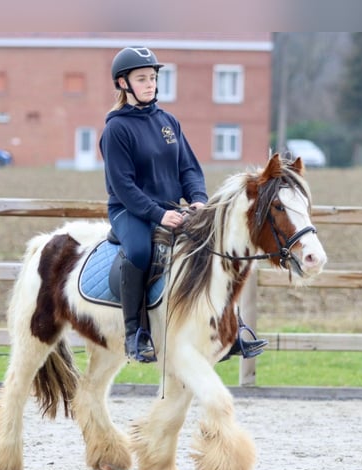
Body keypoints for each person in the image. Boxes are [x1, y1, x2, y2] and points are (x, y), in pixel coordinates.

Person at [99, 46, 266, 363]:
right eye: (142, 79)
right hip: (130, 210)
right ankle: (136, 335)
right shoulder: (116, 129)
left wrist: (199, 201)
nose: (150, 84)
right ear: (123, 84)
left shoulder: (168, 122)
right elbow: (123, 186)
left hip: (173, 208)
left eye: (152, 78)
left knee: (214, 244)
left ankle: (232, 330)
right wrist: (159, 214)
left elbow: (188, 168)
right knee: (139, 252)